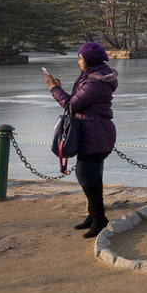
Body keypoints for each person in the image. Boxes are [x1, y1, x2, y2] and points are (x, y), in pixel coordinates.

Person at [45, 42, 119, 238]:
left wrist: (54, 88)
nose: (78, 61)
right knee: (92, 176)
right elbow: (77, 103)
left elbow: (71, 105)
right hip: (91, 131)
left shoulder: (95, 82)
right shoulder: (92, 77)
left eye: (80, 58)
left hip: (95, 133)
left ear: (89, 60)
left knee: (85, 175)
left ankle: (99, 220)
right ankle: (93, 216)